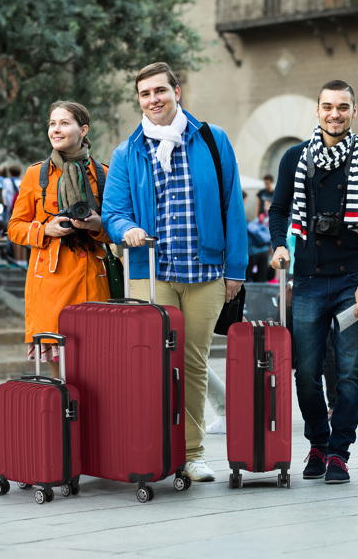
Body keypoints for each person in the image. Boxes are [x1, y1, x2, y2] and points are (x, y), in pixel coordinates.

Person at [101, 62, 247, 482]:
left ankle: (193, 453)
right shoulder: (128, 153)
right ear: (139, 100)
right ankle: (157, 447)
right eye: (145, 94)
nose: (153, 100)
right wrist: (127, 228)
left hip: (206, 273)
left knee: (193, 363)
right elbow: (113, 212)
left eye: (160, 91)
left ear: (177, 91)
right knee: (159, 364)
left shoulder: (212, 140)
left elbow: (231, 207)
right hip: (156, 276)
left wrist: (234, 270)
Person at [269, 79, 358, 484]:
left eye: (343, 107)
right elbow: (279, 209)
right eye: (327, 106)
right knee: (305, 372)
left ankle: (339, 452)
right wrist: (278, 246)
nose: (334, 114)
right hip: (306, 281)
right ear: (318, 111)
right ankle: (317, 444)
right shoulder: (294, 158)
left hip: (352, 281)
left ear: (353, 111)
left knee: (347, 372)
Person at [8, 101, 111, 379]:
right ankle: (65, 424)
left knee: (97, 374)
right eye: (52, 123)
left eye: (64, 123)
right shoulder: (35, 174)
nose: (56, 129)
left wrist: (97, 225)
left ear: (83, 129)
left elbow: (115, 227)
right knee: (61, 379)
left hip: (94, 283)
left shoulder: (102, 173)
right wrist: (46, 230)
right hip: (51, 288)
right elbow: (15, 228)